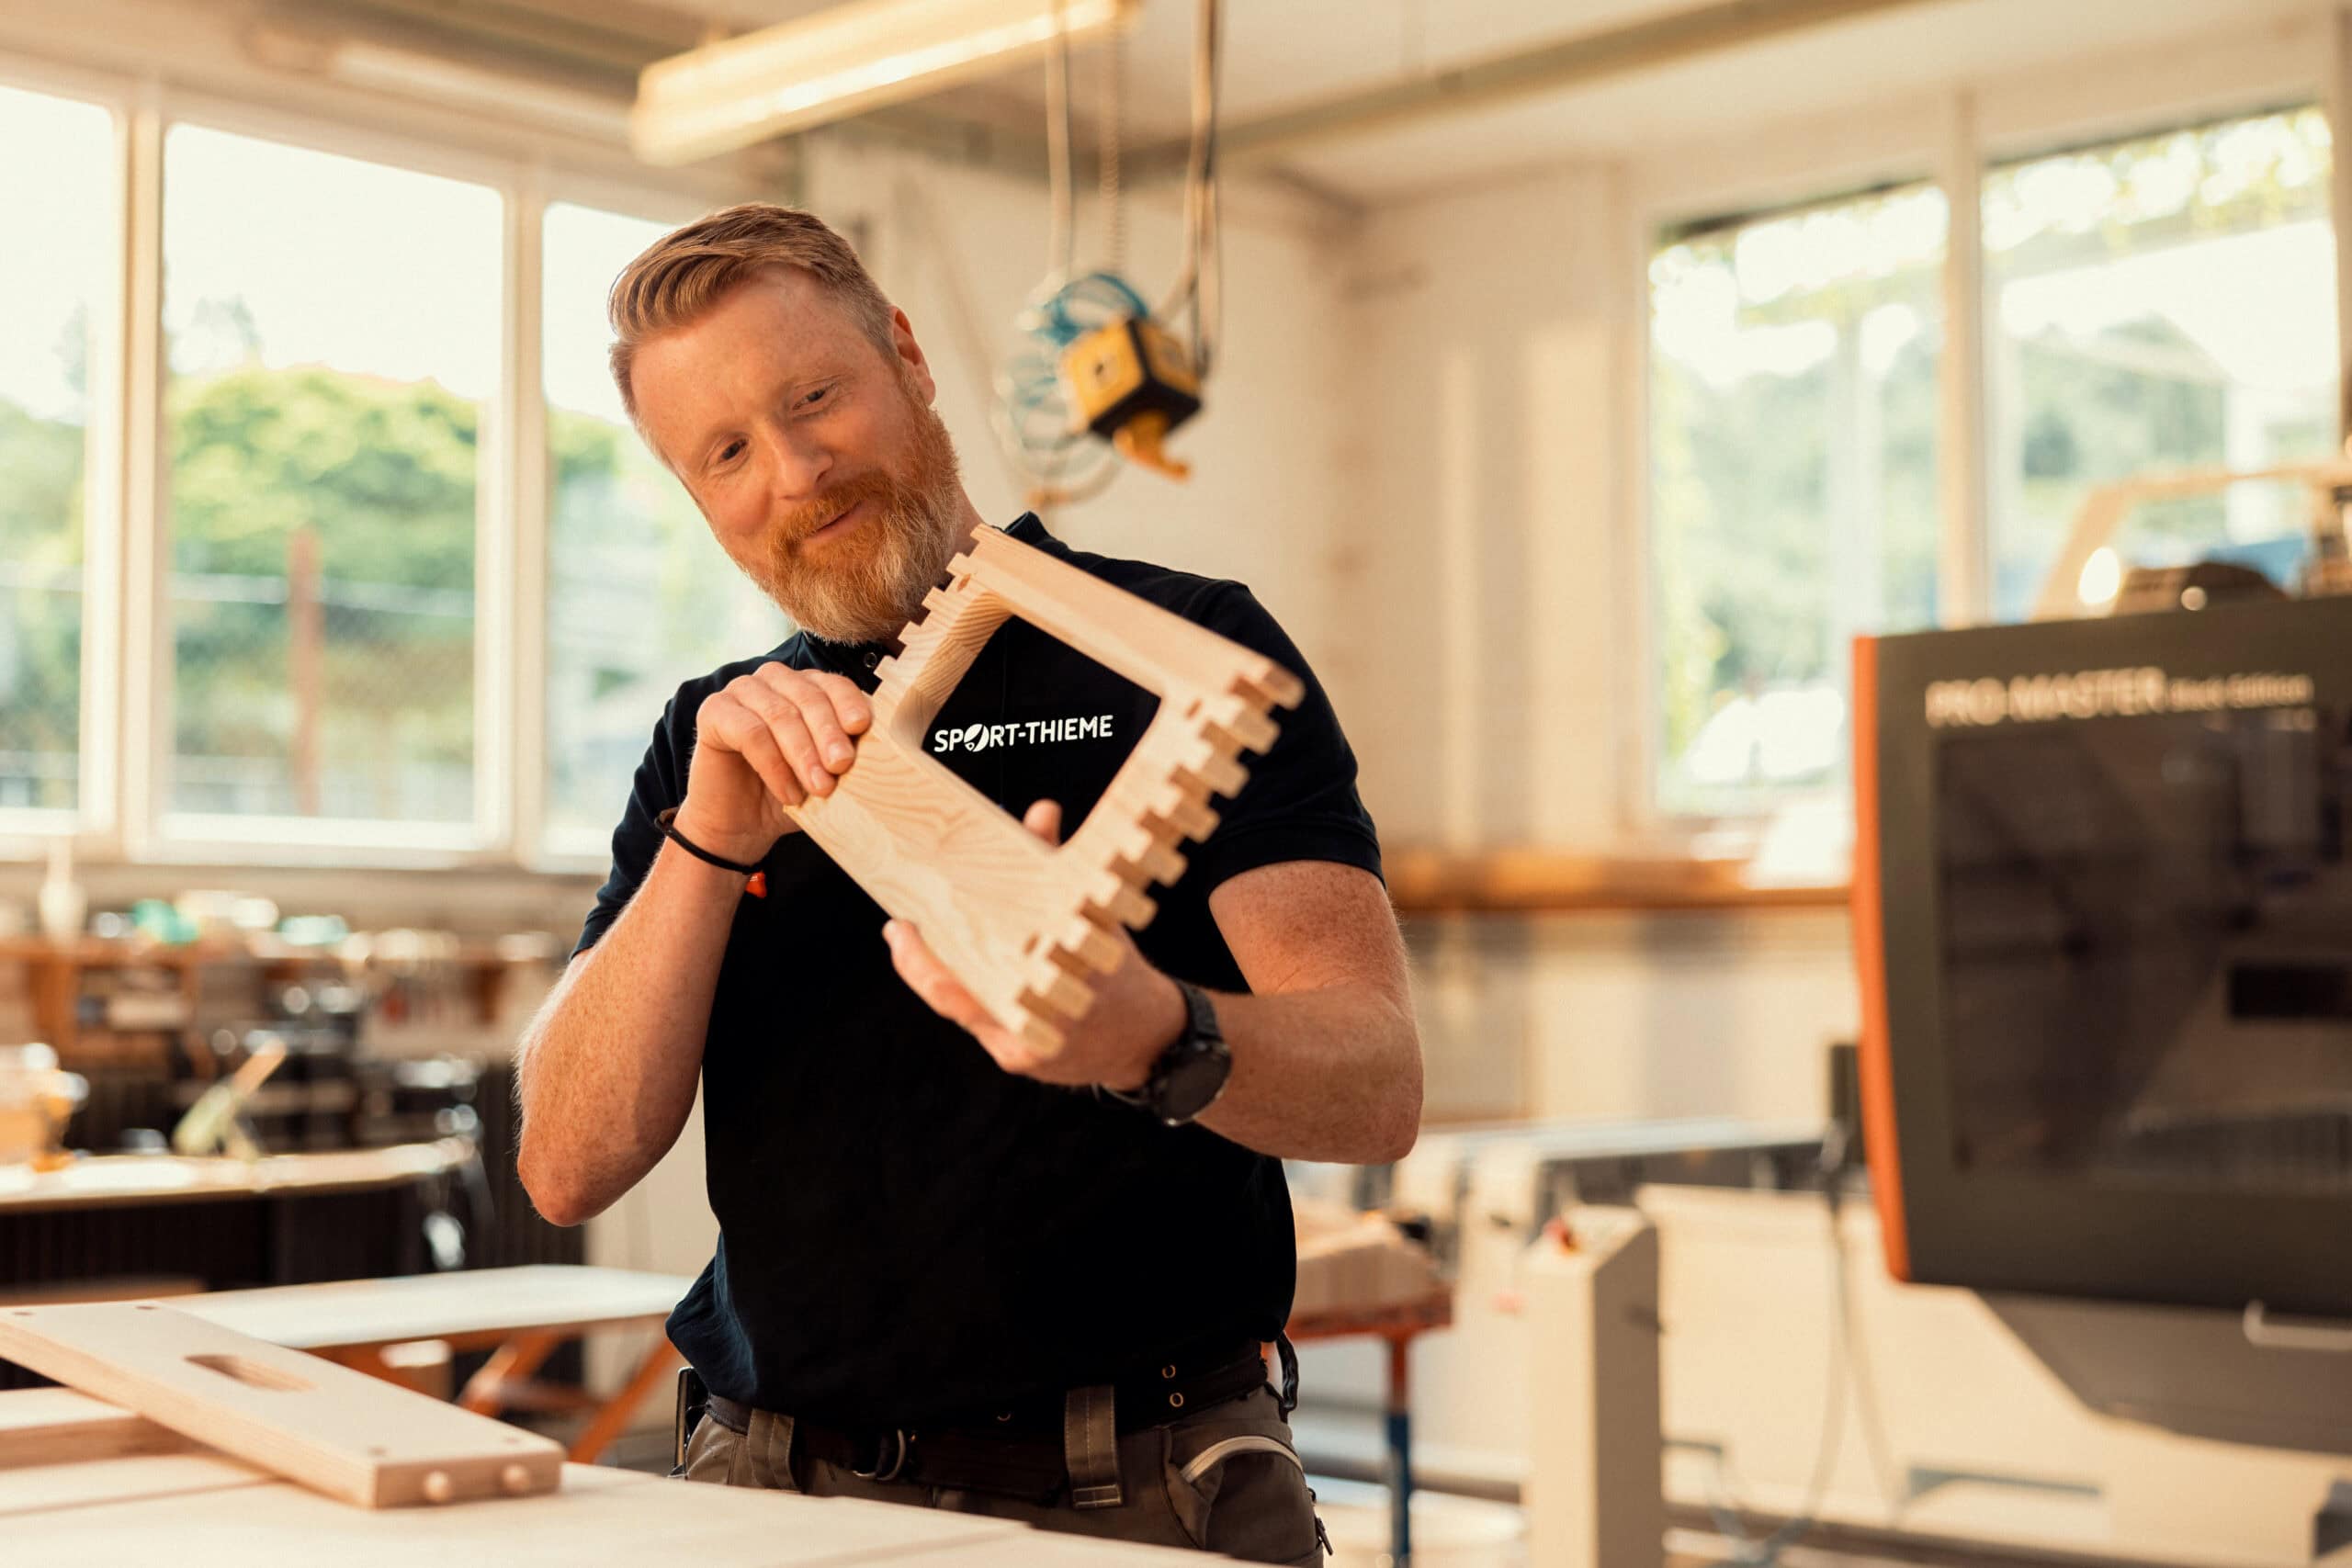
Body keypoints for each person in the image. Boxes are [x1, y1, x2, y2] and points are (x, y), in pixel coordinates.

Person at [514, 203, 1421, 1564]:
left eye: (814, 396)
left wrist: (1155, 1037)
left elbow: (1377, 1083)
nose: (797, 470)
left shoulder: (1184, 645)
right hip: (770, 1484)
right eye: (726, 453)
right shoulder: (713, 739)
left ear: (908, 354)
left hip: (1150, 1486)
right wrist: (709, 845)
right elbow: (564, 1164)